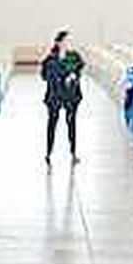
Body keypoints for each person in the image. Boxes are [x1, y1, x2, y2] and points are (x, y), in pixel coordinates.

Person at [40, 30, 84, 164]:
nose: (69, 44)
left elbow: (79, 70)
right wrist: (63, 75)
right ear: (59, 43)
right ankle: (48, 152)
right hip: (55, 95)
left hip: (71, 95)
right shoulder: (50, 59)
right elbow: (44, 76)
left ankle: (73, 152)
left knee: (71, 123)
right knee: (52, 123)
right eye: (67, 41)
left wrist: (74, 76)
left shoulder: (75, 57)